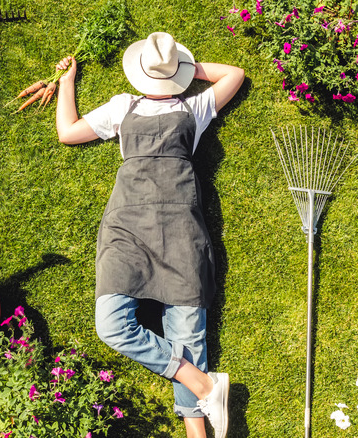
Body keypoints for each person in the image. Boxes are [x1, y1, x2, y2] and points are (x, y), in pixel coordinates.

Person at [55, 32, 244, 438]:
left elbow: (236, 74)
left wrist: (178, 70)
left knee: (188, 334)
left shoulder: (195, 107)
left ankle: (198, 429)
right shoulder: (124, 107)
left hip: (180, 228)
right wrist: (66, 83)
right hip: (128, 228)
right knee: (111, 326)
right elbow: (67, 132)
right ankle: (202, 383)